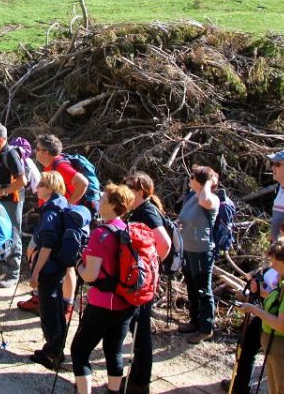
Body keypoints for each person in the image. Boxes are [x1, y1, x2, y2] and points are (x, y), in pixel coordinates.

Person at [70, 184, 137, 394]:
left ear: (113, 205)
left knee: (79, 350)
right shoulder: (127, 229)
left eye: (103, 199)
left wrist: (77, 265)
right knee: (114, 349)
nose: (98, 201)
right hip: (126, 300)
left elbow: (90, 274)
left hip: (102, 303)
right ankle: (114, 391)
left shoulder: (100, 234)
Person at [20, 134, 90, 315]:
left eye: (37, 148)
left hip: (58, 220)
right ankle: (47, 298)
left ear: (46, 152)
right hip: (53, 218)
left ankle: (62, 303)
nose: (35, 151)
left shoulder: (60, 165)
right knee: (40, 254)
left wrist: (67, 207)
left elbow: (83, 183)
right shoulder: (53, 166)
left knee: (64, 263)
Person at [238, 238, 284, 394]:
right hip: (275, 348)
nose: (273, 267)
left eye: (276, 264)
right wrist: (259, 291)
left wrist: (253, 309)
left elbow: (282, 325)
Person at [121, 172, 172, 394]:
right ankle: (137, 379)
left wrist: (149, 267)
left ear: (141, 191)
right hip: (141, 279)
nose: (126, 190)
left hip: (143, 282)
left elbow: (164, 244)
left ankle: (140, 383)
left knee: (141, 330)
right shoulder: (139, 211)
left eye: (129, 186)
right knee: (136, 328)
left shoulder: (148, 212)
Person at [28, 171, 70, 369]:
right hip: (58, 266)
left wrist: (36, 272)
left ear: (51, 187)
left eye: (41, 185)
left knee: (49, 310)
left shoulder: (51, 211)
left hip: (49, 267)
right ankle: (56, 349)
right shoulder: (62, 204)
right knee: (56, 308)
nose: (37, 188)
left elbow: (47, 245)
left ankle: (52, 353)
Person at [177, 165, 220, 344]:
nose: (189, 179)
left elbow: (205, 201)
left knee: (204, 290)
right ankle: (194, 321)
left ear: (201, 182)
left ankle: (206, 328)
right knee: (192, 288)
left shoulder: (212, 199)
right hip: (188, 249)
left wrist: (209, 180)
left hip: (202, 251)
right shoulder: (191, 197)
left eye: (193, 177)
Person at [0, 123, 27, 289]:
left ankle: (13, 274)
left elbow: (23, 181)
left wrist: (4, 191)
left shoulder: (10, 154)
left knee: (13, 234)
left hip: (12, 200)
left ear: (1, 139)